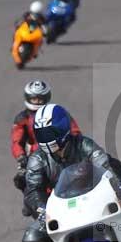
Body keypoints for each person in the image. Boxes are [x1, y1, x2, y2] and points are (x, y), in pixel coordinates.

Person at [21, 104, 121, 242]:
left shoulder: (84, 144)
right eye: (42, 133)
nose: (46, 138)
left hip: (95, 197)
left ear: (62, 129)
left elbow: (105, 164)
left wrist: (120, 186)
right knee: (31, 240)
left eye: (50, 133)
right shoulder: (37, 159)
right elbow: (32, 190)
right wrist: (43, 209)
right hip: (62, 207)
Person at [11, 80, 80, 215]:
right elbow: (16, 141)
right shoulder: (22, 118)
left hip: (59, 150)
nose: (36, 101)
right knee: (22, 179)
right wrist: (20, 157)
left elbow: (75, 131)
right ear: (28, 98)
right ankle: (33, 204)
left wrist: (74, 144)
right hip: (33, 156)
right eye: (34, 98)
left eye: (40, 99)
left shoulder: (58, 113)